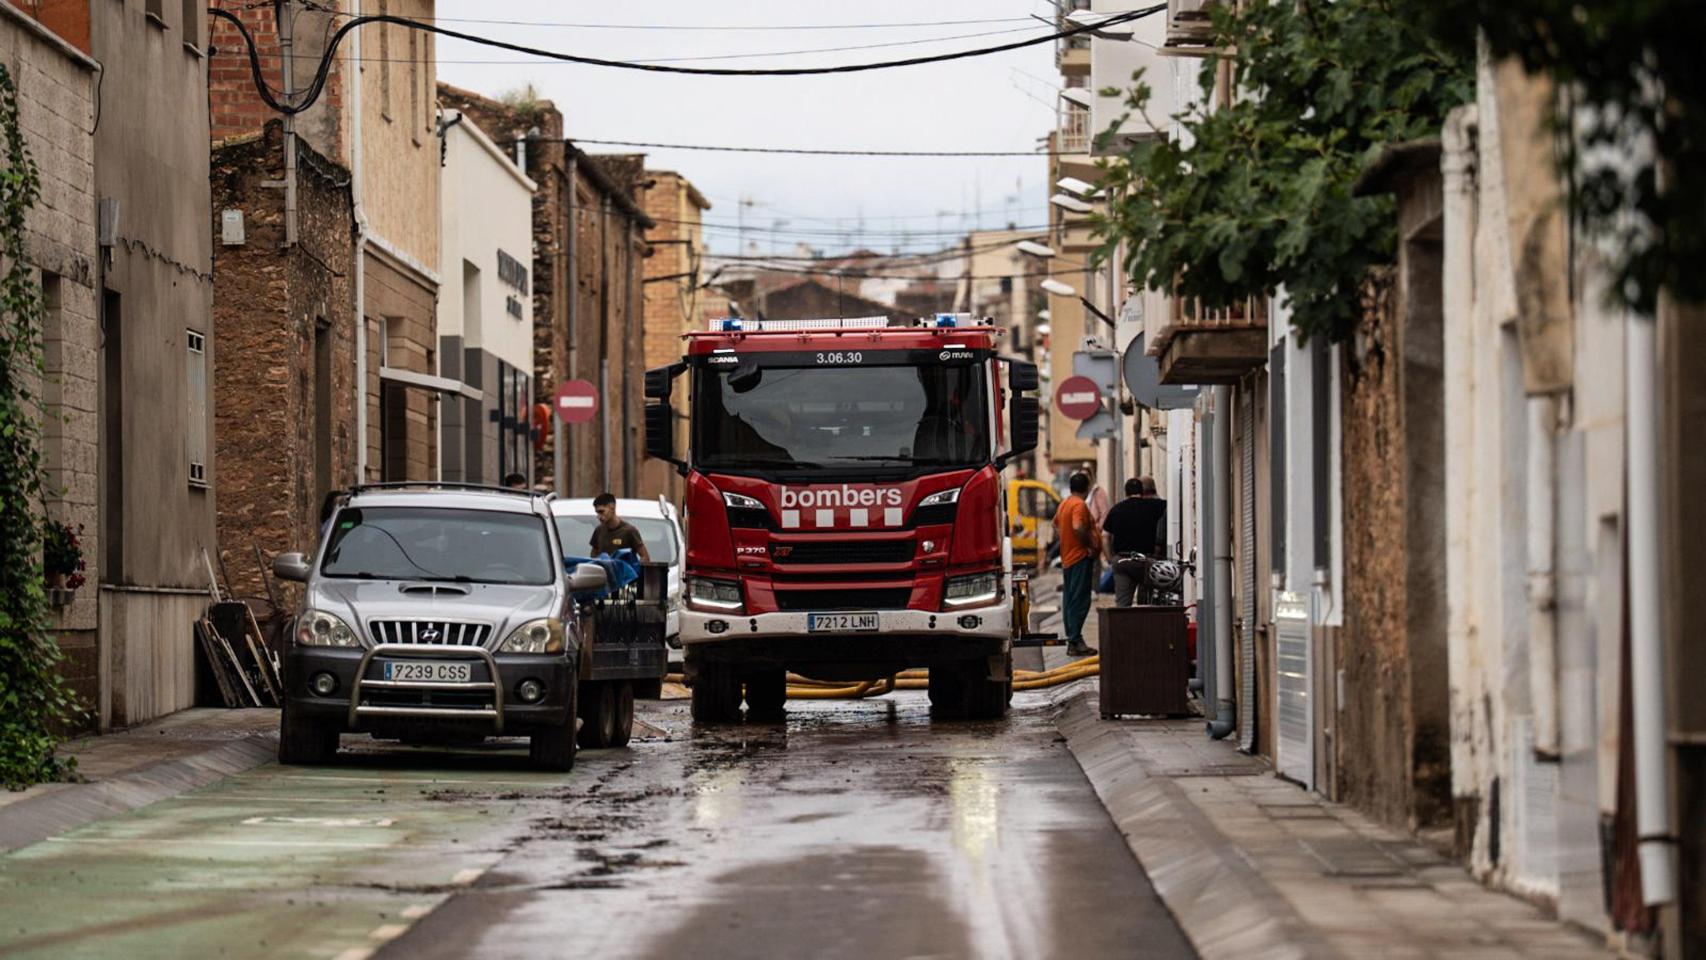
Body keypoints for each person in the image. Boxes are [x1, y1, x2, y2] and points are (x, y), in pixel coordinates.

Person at [1053, 471, 1102, 657]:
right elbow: (1077, 526)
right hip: (1080, 558)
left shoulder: (1065, 503)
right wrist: (1088, 545)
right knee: (1080, 600)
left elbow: (1055, 525)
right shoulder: (1079, 505)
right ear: (1087, 488)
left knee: (1070, 600)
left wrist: (1066, 540)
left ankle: (1073, 641)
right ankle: (1075, 640)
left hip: (1068, 558)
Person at [1103, 476, 1169, 607]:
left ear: (1126, 493)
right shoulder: (1154, 507)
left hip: (1122, 560)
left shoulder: (1116, 510)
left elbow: (1105, 536)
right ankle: (1143, 623)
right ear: (1143, 492)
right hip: (1145, 561)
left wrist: (1110, 558)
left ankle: (1123, 626)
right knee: (1146, 603)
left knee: (1122, 604)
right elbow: (1169, 504)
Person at [590, 492, 651, 562]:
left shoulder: (629, 531)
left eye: (601, 511)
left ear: (612, 507)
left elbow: (645, 557)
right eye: (597, 513)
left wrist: (632, 570)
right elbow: (593, 554)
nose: (599, 516)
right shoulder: (599, 531)